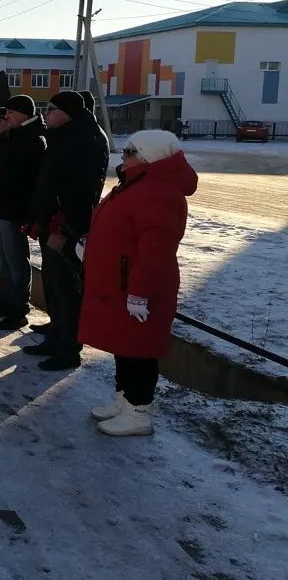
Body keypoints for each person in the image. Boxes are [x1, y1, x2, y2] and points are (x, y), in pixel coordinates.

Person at [79, 130, 197, 436]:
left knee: (139, 351)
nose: (124, 156)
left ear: (148, 157)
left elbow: (155, 252)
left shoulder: (159, 192)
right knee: (124, 344)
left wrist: (139, 294)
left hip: (137, 287)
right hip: (121, 283)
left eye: (130, 152)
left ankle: (138, 412)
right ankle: (125, 401)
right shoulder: (139, 183)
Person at [25, 90, 110, 371]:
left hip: (67, 226)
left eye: (51, 109)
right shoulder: (65, 135)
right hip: (53, 221)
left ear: (68, 112)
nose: (46, 114)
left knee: (66, 288)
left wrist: (62, 227)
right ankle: (56, 334)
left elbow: (79, 192)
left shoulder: (84, 140)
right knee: (53, 283)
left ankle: (68, 348)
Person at [0, 96, 46, 330]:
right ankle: (5, 297)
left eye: (10, 115)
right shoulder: (11, 137)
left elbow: (23, 174)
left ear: (24, 114)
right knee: (3, 256)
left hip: (13, 207)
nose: (6, 119)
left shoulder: (33, 139)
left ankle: (18, 306)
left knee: (15, 259)